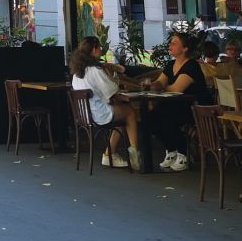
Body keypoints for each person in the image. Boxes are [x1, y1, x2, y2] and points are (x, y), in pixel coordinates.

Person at [143, 31, 211, 172]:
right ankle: (171, 149)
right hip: (175, 105)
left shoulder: (191, 66)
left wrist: (160, 87)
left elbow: (176, 89)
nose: (170, 45)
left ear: (185, 48)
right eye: (170, 43)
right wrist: (152, 85)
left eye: (174, 43)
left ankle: (183, 151)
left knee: (166, 117)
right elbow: (160, 82)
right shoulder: (170, 65)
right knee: (149, 118)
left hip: (195, 108)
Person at [70, 36, 140, 170]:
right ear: (93, 50)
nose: (101, 49)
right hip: (99, 114)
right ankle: (135, 153)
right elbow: (112, 90)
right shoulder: (95, 70)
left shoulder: (77, 73)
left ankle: (109, 154)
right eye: (99, 47)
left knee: (122, 117)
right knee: (130, 112)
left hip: (85, 116)